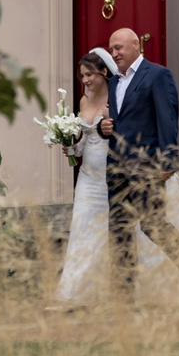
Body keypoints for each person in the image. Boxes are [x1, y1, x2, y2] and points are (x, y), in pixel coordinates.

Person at [97, 26, 179, 295]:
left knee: (154, 226)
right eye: (111, 49)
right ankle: (123, 295)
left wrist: (168, 162)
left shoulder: (158, 75)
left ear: (136, 45)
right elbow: (119, 122)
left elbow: (168, 119)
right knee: (119, 230)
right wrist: (103, 128)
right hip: (118, 168)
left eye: (118, 47)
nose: (114, 53)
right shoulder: (113, 82)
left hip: (147, 168)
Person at [52, 50, 118, 304]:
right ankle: (77, 291)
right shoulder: (83, 101)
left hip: (110, 176)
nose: (86, 80)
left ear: (104, 72)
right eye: (82, 76)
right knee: (82, 229)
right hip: (87, 178)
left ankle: (110, 290)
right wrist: (72, 148)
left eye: (89, 74)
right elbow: (85, 141)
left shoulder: (117, 99)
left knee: (108, 230)